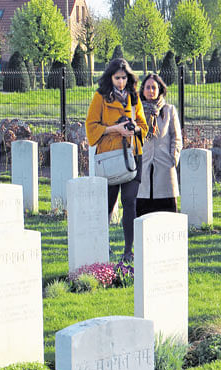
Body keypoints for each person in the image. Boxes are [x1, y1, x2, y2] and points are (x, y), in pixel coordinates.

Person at [85, 58, 148, 262]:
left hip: (132, 156)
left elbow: (143, 126)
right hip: (110, 156)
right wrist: (114, 129)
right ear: (110, 77)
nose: (121, 82)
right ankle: (101, 247)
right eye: (117, 78)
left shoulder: (134, 97)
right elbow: (91, 127)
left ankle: (129, 250)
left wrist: (133, 127)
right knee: (108, 205)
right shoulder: (100, 97)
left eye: (124, 78)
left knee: (129, 202)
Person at [136, 73, 182, 217]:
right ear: (143, 90)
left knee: (166, 211)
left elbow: (176, 137)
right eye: (148, 87)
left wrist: (173, 157)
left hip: (164, 164)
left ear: (160, 90)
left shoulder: (169, 110)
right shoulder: (136, 110)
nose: (151, 91)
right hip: (143, 163)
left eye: (154, 88)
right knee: (143, 209)